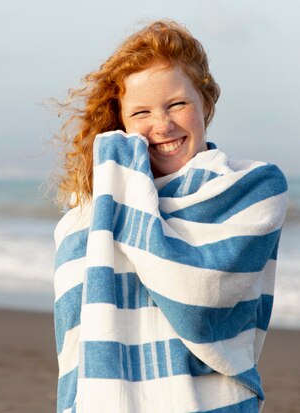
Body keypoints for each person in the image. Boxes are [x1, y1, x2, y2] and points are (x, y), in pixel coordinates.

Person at [52, 20, 287, 413]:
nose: (163, 125)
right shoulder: (88, 216)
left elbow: (199, 306)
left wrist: (124, 188)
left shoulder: (252, 188)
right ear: (121, 124)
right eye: (141, 112)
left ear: (205, 104)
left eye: (177, 104)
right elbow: (76, 346)